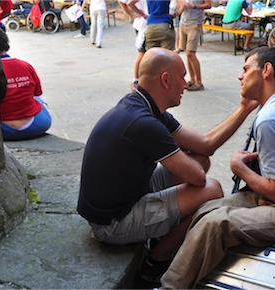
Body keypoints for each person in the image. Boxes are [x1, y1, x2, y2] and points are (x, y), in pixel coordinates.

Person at [159, 46, 275, 289]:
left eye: (246, 69)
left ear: (266, 70)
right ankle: (190, 273)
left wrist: (239, 168)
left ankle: (169, 286)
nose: (240, 76)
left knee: (216, 224)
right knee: (206, 209)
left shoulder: (270, 119)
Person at [77, 47, 258, 282]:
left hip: (125, 197)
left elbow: (204, 146)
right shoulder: (144, 123)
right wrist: (174, 153)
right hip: (112, 223)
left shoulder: (143, 105)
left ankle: (160, 235)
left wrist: (244, 108)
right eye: (182, 76)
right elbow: (198, 179)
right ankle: (155, 262)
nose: (186, 84)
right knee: (211, 189)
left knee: (200, 160)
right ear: (165, 80)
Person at [0, 25, 52, 141]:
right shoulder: (25, 66)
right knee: (38, 99)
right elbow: (37, 92)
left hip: (3, 129)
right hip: (36, 125)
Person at [180, 0, 212, 91]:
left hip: (195, 23)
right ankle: (192, 79)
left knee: (191, 53)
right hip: (183, 22)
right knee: (187, 53)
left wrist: (194, 7)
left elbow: (208, 5)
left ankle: (199, 82)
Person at [119, 0, 148, 90]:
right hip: (143, 25)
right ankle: (136, 79)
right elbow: (123, 2)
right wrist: (132, 14)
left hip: (147, 23)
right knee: (142, 52)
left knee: (147, 53)